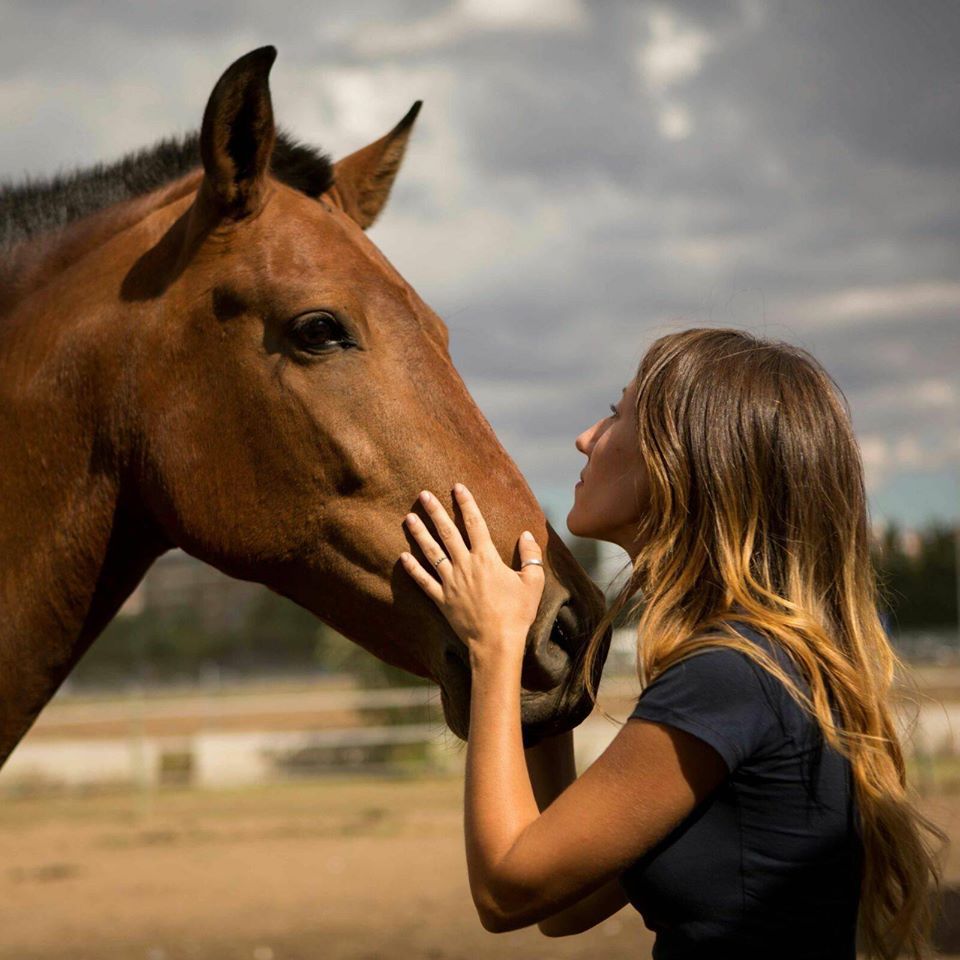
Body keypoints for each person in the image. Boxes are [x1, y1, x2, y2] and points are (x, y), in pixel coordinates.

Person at [398, 327, 944, 959]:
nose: (585, 439)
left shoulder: (729, 674)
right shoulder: (767, 662)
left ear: (681, 461)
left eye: (615, 416)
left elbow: (507, 891)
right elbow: (565, 904)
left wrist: (492, 647)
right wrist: (542, 673)